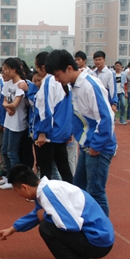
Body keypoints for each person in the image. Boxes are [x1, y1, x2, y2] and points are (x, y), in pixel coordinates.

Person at [0, 164, 114, 259]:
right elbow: (37, 213)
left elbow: (71, 225)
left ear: (24, 187)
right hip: (99, 237)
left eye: (16, 190)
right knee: (48, 222)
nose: (18, 195)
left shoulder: (49, 194)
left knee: (47, 227)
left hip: (98, 243)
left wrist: (45, 216)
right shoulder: (47, 187)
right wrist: (12, 229)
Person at [45, 49, 116, 217]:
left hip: (98, 146)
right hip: (87, 144)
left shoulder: (89, 85)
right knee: (79, 187)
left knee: (96, 191)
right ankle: (85, 222)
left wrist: (96, 146)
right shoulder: (74, 85)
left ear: (69, 68)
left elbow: (106, 117)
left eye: (57, 75)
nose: (56, 79)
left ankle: (102, 231)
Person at [32, 51, 73, 183]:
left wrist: (43, 132)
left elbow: (45, 109)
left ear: (43, 67)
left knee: (46, 171)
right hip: (62, 131)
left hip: (50, 133)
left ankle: (46, 198)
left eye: (37, 68)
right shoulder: (64, 81)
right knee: (64, 169)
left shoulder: (49, 81)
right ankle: (70, 196)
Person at [0, 58, 29, 190]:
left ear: (14, 69)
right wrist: (8, 107)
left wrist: (9, 106)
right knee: (4, 150)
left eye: (6, 70)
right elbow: (4, 102)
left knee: (12, 152)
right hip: (8, 122)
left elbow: (16, 104)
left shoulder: (20, 84)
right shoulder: (7, 83)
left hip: (18, 123)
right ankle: (8, 176)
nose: (4, 73)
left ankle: (14, 179)